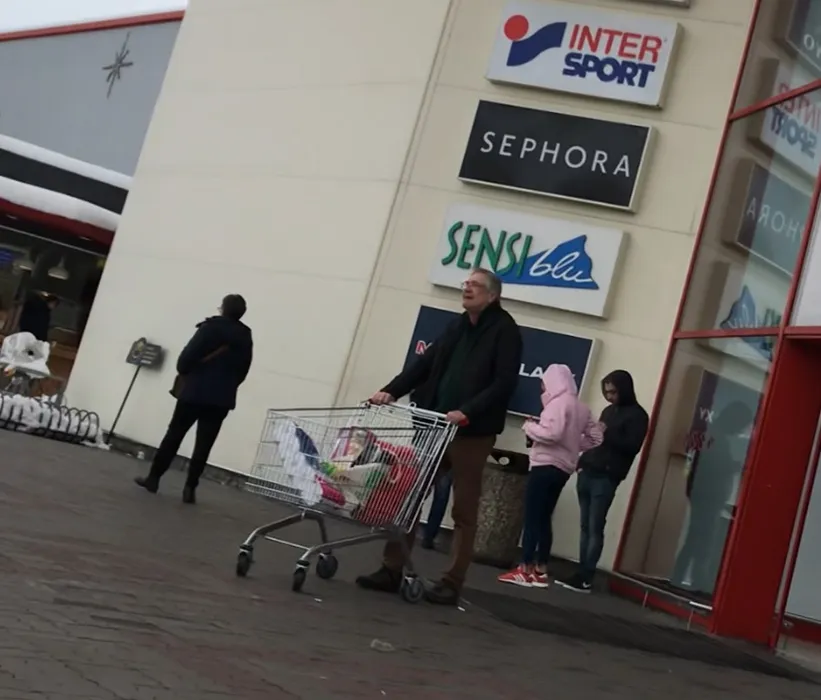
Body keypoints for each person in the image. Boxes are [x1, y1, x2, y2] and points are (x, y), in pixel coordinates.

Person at [356, 268, 523, 605]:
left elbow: (504, 383)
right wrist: (390, 391)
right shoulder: (456, 327)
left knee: (463, 510)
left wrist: (468, 411)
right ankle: (391, 568)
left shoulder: (505, 332)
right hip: (434, 427)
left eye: (475, 285)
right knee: (409, 496)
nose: (467, 289)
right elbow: (423, 365)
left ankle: (452, 581)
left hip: (471, 433)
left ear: (493, 296)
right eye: (466, 284)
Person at [135, 294, 253, 504]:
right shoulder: (245, 336)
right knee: (204, 444)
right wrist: (228, 386)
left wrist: (190, 373)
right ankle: (190, 489)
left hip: (194, 393)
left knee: (174, 434)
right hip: (221, 398)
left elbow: (185, 360)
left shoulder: (210, 328)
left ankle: (154, 478)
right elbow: (244, 370)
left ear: (223, 309)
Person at [497, 364, 603, 588]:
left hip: (544, 463)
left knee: (532, 516)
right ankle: (540, 569)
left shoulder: (556, 405)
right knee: (545, 517)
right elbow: (596, 438)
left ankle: (525, 568)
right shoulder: (582, 408)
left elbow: (551, 434)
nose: (542, 388)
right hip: (564, 469)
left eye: (544, 383)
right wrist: (573, 445)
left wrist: (529, 427)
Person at [556, 370, 649, 593]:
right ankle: (580, 571)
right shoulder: (608, 411)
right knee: (585, 526)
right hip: (589, 470)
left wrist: (606, 434)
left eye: (613, 392)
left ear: (624, 389)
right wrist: (581, 461)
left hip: (607, 476)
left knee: (595, 526)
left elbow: (632, 446)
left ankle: (587, 576)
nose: (609, 397)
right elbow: (595, 440)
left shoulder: (638, 416)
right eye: (606, 392)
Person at [671, 400, 752, 594]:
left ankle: (679, 579)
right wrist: (734, 466)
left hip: (703, 495)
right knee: (703, 542)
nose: (741, 430)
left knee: (694, 539)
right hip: (708, 497)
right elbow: (713, 466)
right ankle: (698, 583)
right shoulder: (716, 437)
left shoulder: (712, 434)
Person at [420, 471, 453, 550]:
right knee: (440, 499)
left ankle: (407, 526)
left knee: (419, 492)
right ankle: (429, 537)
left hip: (440, 465)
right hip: (448, 467)